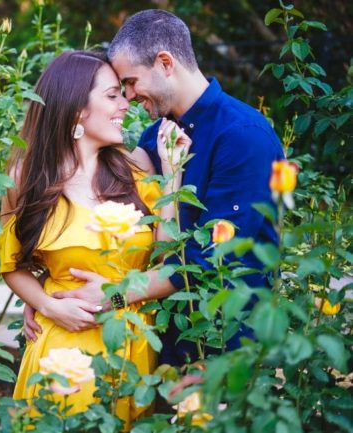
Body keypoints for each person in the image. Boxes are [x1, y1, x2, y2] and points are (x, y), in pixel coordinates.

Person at [22, 9, 286, 366]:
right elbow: (93, 206)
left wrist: (112, 297)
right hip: (169, 341)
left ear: (165, 63)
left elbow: (207, 260)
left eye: (130, 82)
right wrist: (45, 293)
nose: (128, 97)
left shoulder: (242, 137)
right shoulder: (156, 135)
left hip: (229, 342)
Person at [0, 50, 190, 424]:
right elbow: (12, 265)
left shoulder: (137, 169)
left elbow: (171, 263)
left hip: (133, 345)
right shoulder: (27, 179)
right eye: (112, 95)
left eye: (123, 93)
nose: (126, 104)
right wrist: (48, 305)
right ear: (75, 109)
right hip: (65, 347)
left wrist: (172, 174)